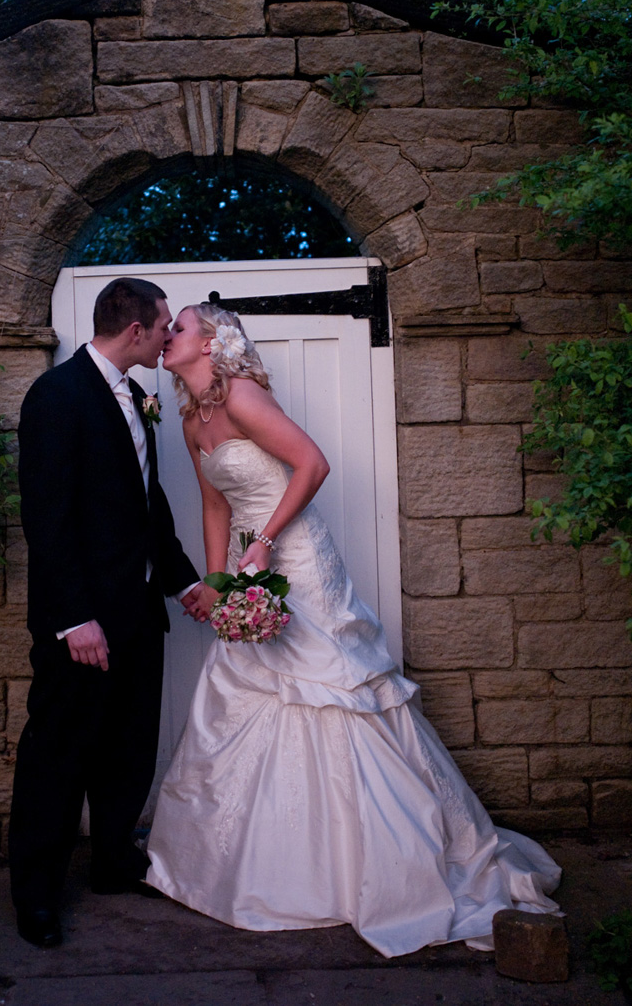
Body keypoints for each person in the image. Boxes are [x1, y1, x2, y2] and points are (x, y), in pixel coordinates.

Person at [145, 303, 561, 957]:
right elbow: (214, 502)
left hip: (298, 560)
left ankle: (378, 866)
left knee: (332, 688)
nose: (167, 333)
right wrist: (220, 579)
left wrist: (265, 544)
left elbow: (312, 464)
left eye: (180, 326)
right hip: (249, 564)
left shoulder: (243, 396)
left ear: (211, 343)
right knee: (247, 686)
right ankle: (265, 866)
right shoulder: (191, 417)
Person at [9, 277, 199, 948]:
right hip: (81, 623)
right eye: (164, 325)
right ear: (135, 330)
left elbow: (147, 503)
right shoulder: (57, 395)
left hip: (138, 612)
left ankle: (113, 862)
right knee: (58, 755)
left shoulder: (138, 395)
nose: (169, 336)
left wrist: (182, 582)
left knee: (128, 747)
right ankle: (36, 897)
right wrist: (73, 618)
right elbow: (47, 517)